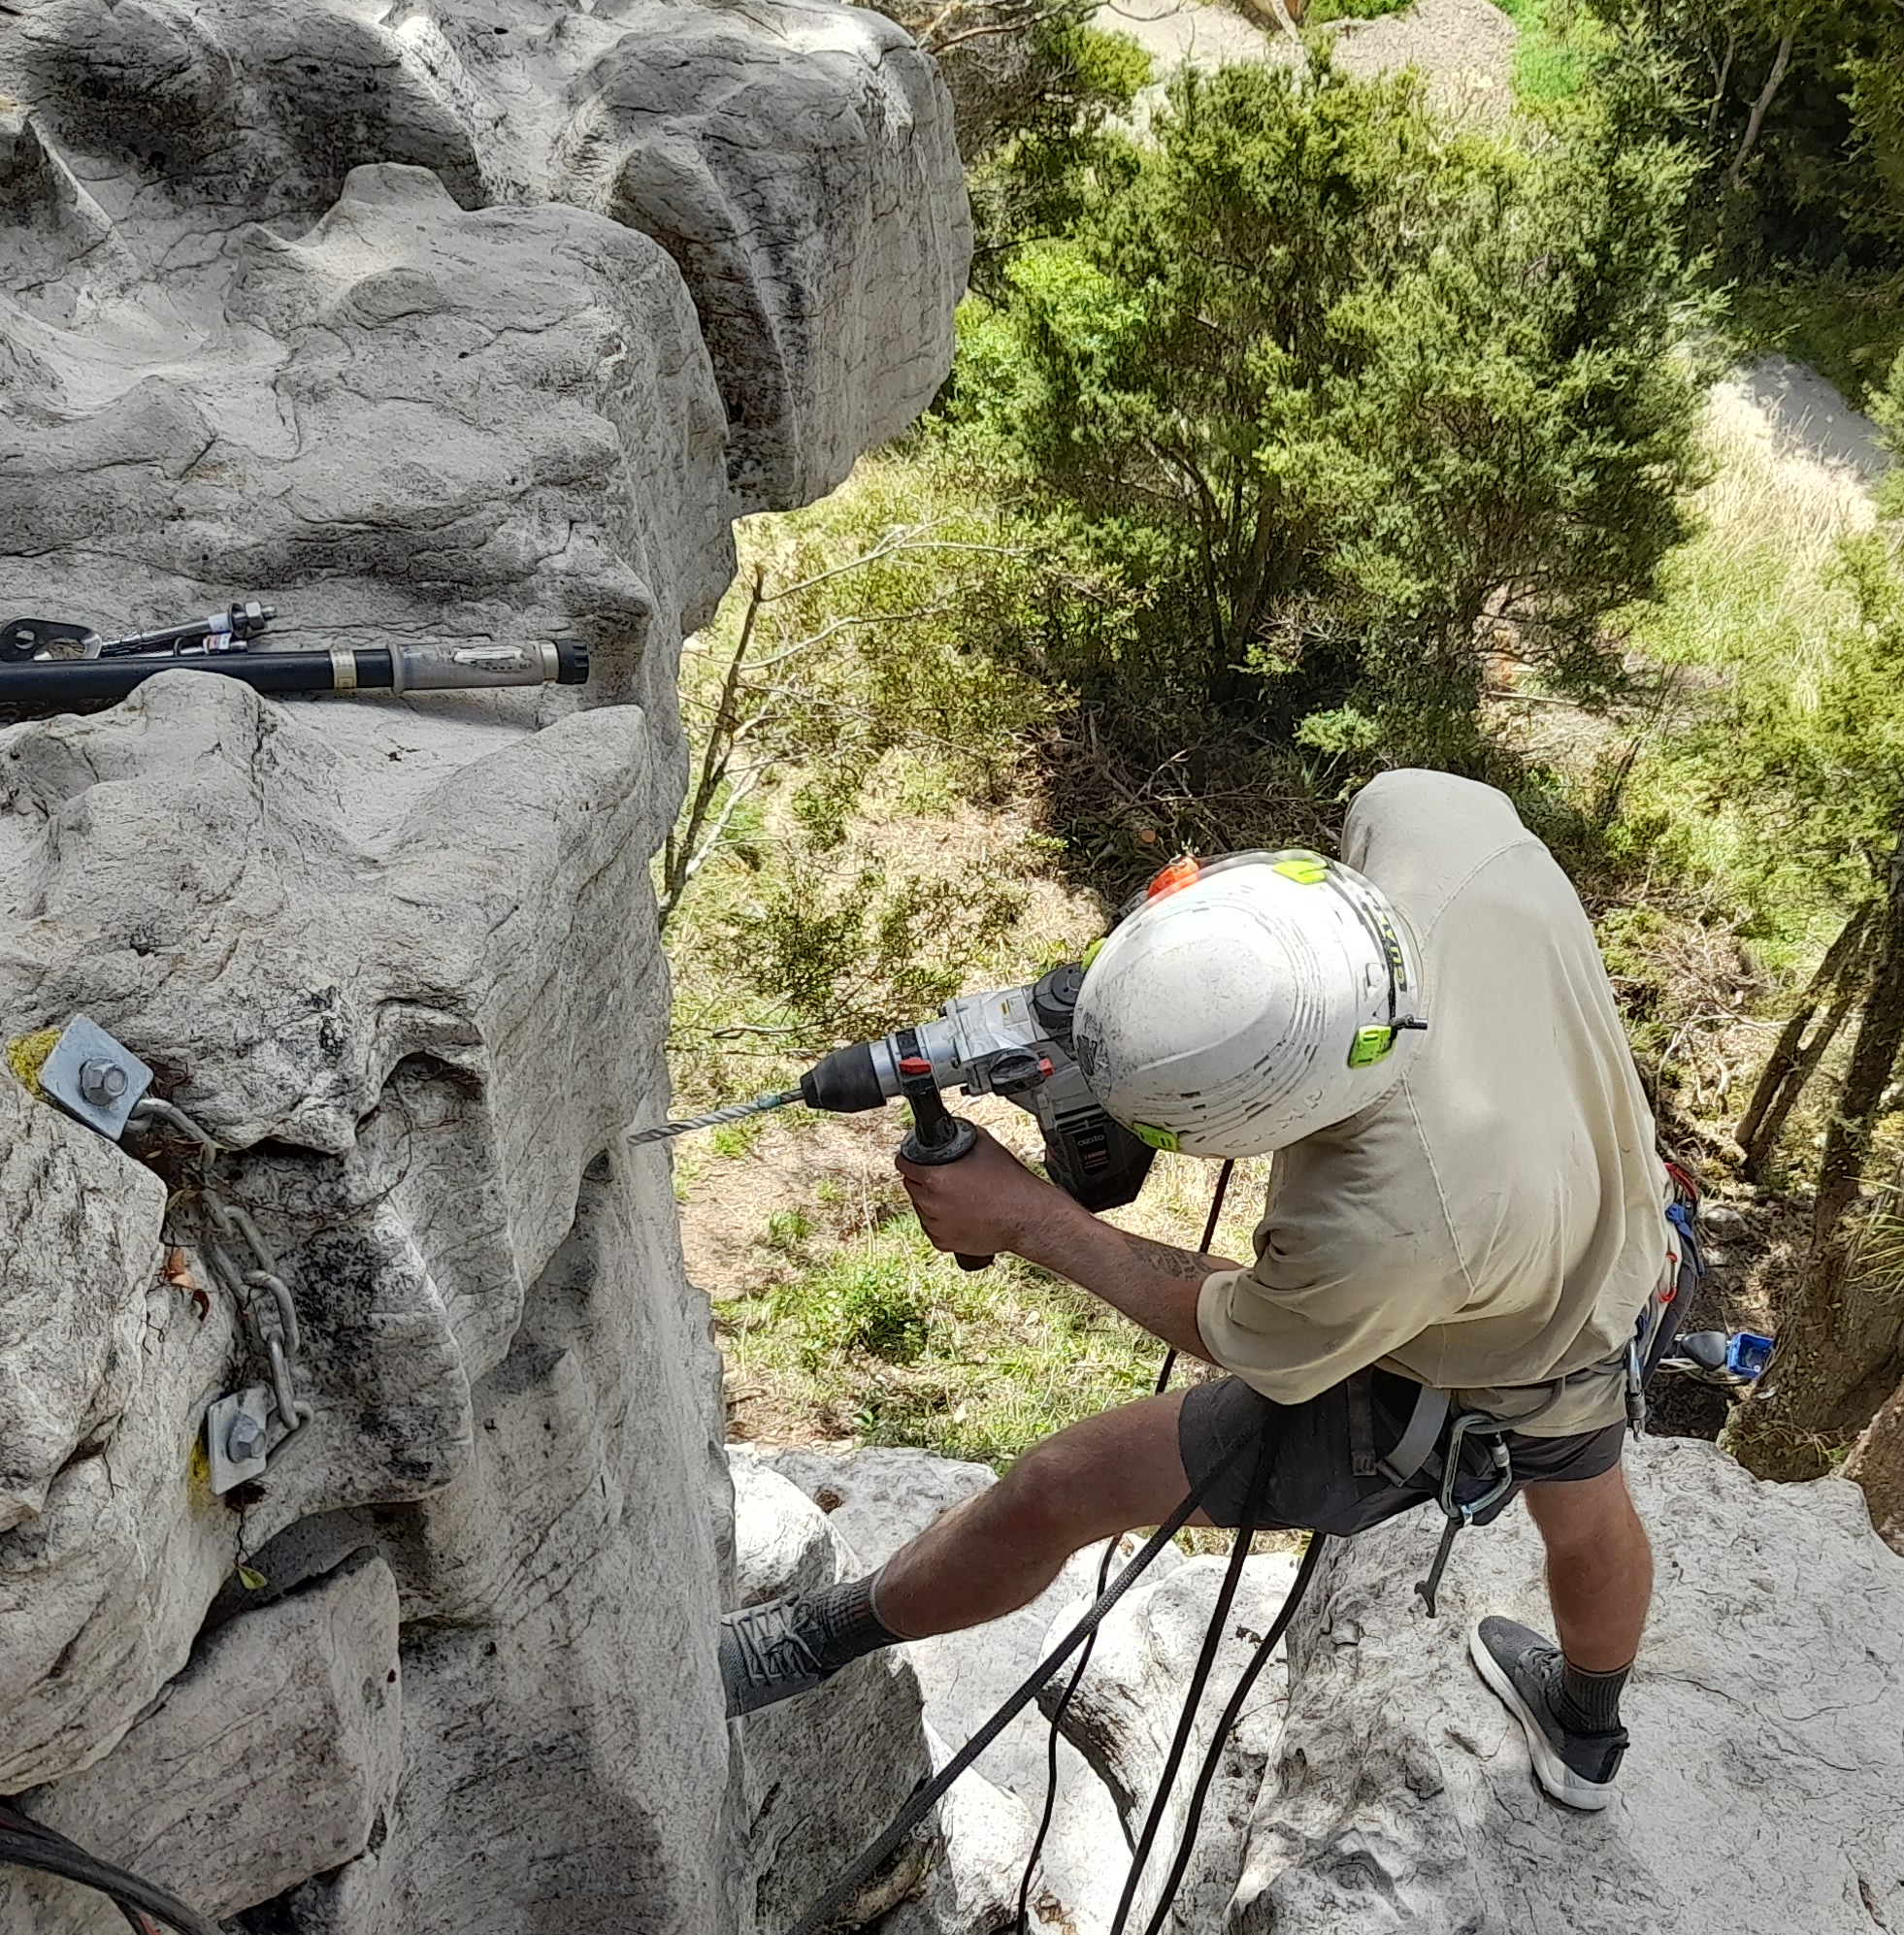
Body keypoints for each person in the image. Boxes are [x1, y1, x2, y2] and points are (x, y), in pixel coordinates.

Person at [716, 770, 1671, 1809]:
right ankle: (1586, 1734)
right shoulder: (1434, 826)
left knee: (1060, 1487)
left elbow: (1243, 1332)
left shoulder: (1387, 1223)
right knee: (1586, 1513)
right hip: (1616, 1239)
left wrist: (1032, 1220)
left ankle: (815, 1641)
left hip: (1475, 1354)